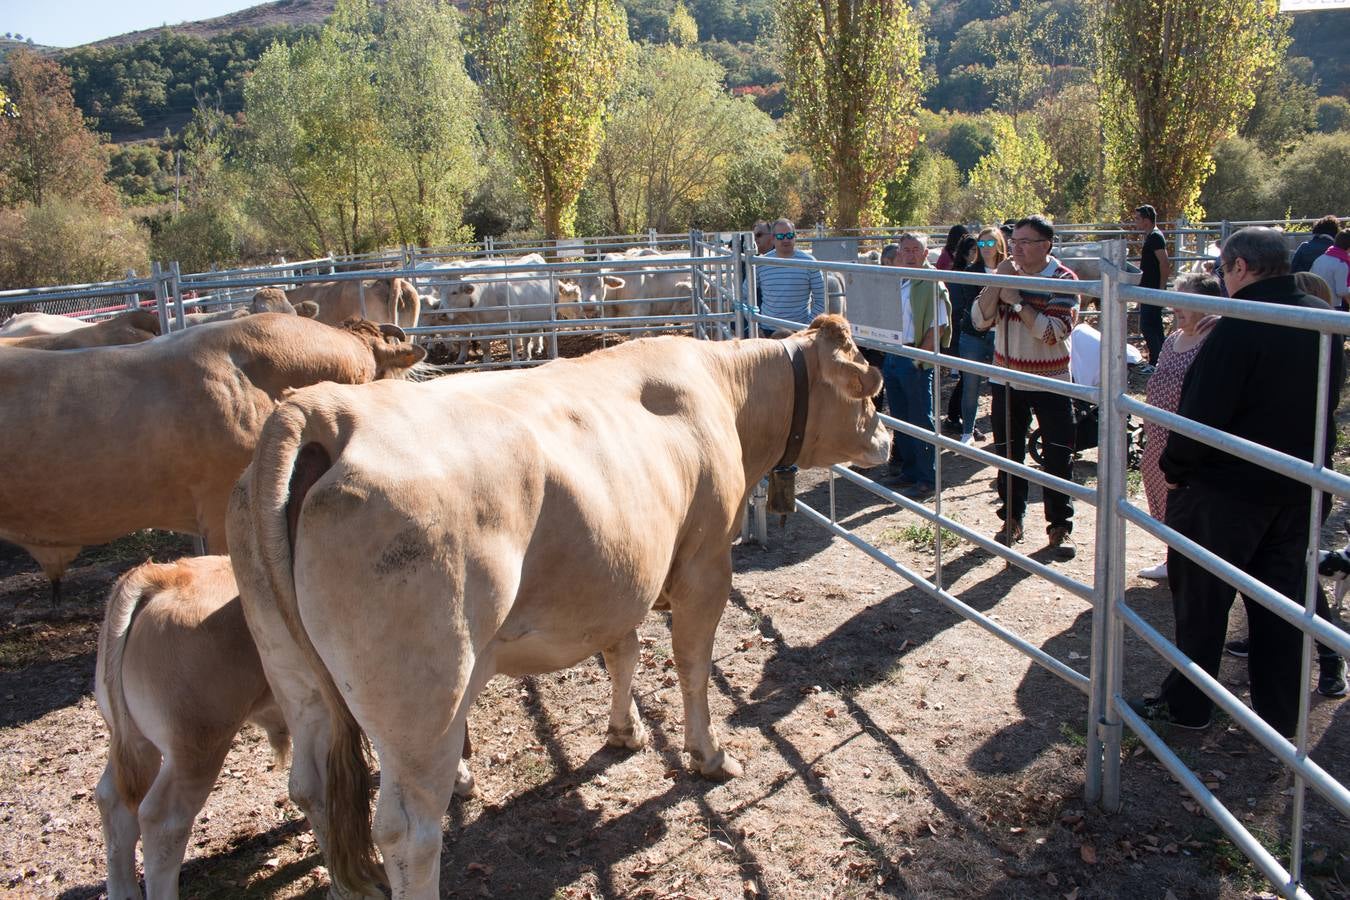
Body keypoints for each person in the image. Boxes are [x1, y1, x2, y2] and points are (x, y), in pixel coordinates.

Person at [1133, 227, 1345, 734]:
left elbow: (1201, 412)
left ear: (1241, 267)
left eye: (1223, 270)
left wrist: (1177, 472)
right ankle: (1280, 718)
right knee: (1280, 608)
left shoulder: (1240, 322)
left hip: (1225, 494)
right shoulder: (1322, 321)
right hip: (1295, 488)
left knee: (1202, 603)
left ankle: (1189, 704)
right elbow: (1328, 402)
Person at [971, 215, 1079, 557]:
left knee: (1058, 455)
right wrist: (996, 286)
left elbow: (1051, 333)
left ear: (1046, 245)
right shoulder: (1006, 274)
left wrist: (1017, 300)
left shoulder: (1064, 279)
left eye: (1025, 242)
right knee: (1008, 454)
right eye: (1013, 241)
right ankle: (1012, 520)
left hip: (1051, 381)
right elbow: (978, 319)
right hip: (1006, 379)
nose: (1015, 248)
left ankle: (1059, 527)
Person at [1136, 273, 1222, 581]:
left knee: (1190, 503)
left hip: (1187, 440)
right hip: (1158, 437)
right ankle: (1174, 557)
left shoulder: (1215, 340)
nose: (1175, 308)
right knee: (1162, 497)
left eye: (1184, 301)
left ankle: (1194, 564)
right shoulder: (1173, 339)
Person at [879, 234, 952, 498]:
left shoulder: (932, 284)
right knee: (901, 416)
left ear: (925, 253)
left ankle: (926, 477)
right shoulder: (900, 280)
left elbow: (938, 325)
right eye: (905, 250)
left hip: (915, 353)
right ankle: (910, 470)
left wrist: (921, 357)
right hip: (895, 351)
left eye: (915, 250)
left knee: (921, 417)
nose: (909, 254)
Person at [952, 229, 1006, 446]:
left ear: (999, 244)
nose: (986, 248)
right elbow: (971, 306)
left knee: (1002, 386)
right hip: (974, 335)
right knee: (971, 385)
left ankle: (1003, 431)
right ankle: (967, 432)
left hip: (1001, 335)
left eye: (990, 243)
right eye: (981, 245)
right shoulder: (970, 272)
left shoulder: (1009, 271)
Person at [753, 218, 825, 335]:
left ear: (795, 236)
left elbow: (822, 301)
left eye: (789, 235)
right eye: (780, 236)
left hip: (799, 331)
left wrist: (806, 327)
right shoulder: (761, 264)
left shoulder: (810, 263)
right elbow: (745, 296)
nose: (785, 239)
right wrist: (756, 326)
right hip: (767, 331)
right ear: (773, 238)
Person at [942, 234, 980, 438]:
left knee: (968, 378)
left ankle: (956, 417)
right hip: (960, 332)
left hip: (966, 330)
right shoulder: (958, 277)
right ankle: (957, 418)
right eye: (973, 250)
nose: (977, 254)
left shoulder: (974, 273)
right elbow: (957, 308)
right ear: (965, 253)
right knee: (968, 378)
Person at [1134, 204, 1172, 367]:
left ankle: (1156, 361)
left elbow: (1164, 263)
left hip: (1152, 290)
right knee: (1154, 325)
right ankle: (1163, 360)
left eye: (1138, 219)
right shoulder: (1152, 236)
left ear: (1146, 220)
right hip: (1149, 289)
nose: (1136, 222)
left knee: (1148, 326)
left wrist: (1161, 289)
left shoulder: (1155, 237)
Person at [1309, 229, 1350, 311]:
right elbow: (1342, 291)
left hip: (1317, 303)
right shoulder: (1342, 263)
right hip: (1334, 306)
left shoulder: (1320, 259)